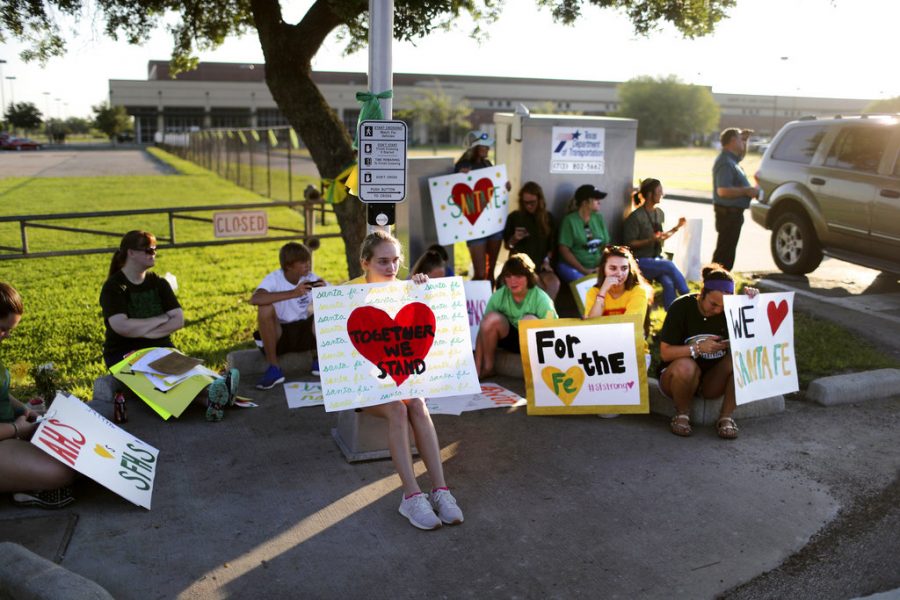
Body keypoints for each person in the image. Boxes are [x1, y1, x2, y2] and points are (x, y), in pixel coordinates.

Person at [353, 230, 464, 530]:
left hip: (403, 380)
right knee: (399, 408)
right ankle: (412, 496)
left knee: (416, 401)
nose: (390, 268)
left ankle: (440, 491)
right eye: (382, 262)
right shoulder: (347, 293)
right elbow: (327, 339)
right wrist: (316, 306)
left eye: (395, 261)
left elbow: (428, 333)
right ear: (365, 262)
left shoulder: (407, 289)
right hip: (367, 387)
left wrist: (425, 293)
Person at [99, 231, 237, 421]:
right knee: (160, 380)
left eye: (155, 249)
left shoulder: (159, 283)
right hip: (124, 353)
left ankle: (213, 399)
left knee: (183, 373)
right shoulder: (114, 287)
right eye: (148, 250)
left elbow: (178, 320)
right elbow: (122, 326)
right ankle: (219, 393)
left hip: (160, 347)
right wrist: (160, 319)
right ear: (130, 252)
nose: (153, 253)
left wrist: (143, 332)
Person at [656, 263, 757, 440]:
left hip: (712, 381)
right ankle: (682, 414)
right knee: (686, 366)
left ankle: (726, 417)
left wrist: (752, 303)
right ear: (702, 293)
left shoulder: (731, 310)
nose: (717, 310)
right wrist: (697, 348)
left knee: (740, 359)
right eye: (713, 304)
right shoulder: (681, 307)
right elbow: (665, 353)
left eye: (722, 307)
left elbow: (754, 337)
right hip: (676, 378)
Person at [0, 282, 77, 508]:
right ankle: (23, 484)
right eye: (3, 328)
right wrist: (16, 428)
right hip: (6, 434)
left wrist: (24, 410)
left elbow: (1, 393)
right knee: (61, 471)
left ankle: (21, 476)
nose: (5, 336)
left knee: (77, 451)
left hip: (9, 431)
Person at [250, 242, 325, 389]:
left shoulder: (311, 277)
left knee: (326, 307)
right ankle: (274, 368)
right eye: (303, 261)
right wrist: (293, 293)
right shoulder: (274, 278)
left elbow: (337, 298)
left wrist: (325, 291)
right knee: (264, 309)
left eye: (308, 260)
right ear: (289, 266)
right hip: (281, 333)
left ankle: (321, 359)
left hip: (304, 333)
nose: (308, 264)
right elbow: (255, 299)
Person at [475, 254, 558, 378]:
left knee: (528, 320)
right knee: (489, 320)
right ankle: (488, 367)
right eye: (508, 276)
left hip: (535, 345)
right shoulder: (499, 295)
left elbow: (555, 332)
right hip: (508, 339)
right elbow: (482, 331)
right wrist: (476, 369)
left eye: (518, 276)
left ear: (528, 277)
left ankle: (534, 375)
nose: (513, 281)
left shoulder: (541, 298)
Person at [622, 178, 689, 309]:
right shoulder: (636, 217)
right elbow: (629, 244)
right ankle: (689, 297)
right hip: (639, 261)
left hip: (656, 259)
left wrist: (677, 227)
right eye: (659, 191)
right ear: (649, 194)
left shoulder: (659, 213)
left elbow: (660, 237)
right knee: (669, 265)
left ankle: (672, 314)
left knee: (668, 282)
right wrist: (650, 240)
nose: (662, 194)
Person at [455, 131, 504, 286]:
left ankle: (490, 304)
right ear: (473, 147)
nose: (487, 149)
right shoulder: (463, 166)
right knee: (480, 273)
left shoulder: (487, 164)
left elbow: (494, 186)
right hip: (474, 225)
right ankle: (474, 305)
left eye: (488, 146)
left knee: (491, 272)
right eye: (483, 146)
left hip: (493, 224)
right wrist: (459, 175)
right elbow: (455, 189)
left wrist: (504, 184)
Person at [711, 128, 760, 270]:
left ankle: (720, 284)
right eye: (740, 139)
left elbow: (741, 154)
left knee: (727, 253)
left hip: (733, 214)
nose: (742, 142)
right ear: (732, 140)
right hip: (728, 214)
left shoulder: (732, 159)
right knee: (723, 255)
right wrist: (747, 190)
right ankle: (714, 284)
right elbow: (723, 190)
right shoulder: (725, 162)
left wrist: (745, 140)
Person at [503, 181, 560, 300]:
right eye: (525, 203)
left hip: (542, 265)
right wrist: (514, 239)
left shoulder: (548, 218)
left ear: (539, 200)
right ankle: (540, 313)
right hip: (520, 266)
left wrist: (547, 261)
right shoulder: (515, 217)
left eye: (532, 203)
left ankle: (546, 314)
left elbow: (552, 246)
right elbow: (508, 246)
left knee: (554, 283)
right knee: (535, 282)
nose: (529, 206)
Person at [556, 184, 610, 284]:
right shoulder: (569, 220)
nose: (599, 202)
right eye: (595, 199)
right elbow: (564, 250)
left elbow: (606, 246)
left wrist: (601, 267)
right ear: (585, 202)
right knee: (587, 284)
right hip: (574, 267)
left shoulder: (599, 218)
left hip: (597, 266)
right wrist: (584, 270)